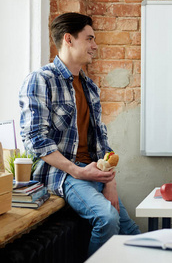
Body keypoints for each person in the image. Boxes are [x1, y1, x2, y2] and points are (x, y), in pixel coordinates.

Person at [19, 13, 140, 255]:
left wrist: (110, 182)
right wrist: (77, 170)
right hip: (64, 174)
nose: (95, 46)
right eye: (89, 39)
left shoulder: (90, 87)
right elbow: (35, 138)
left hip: (94, 171)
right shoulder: (40, 80)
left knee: (133, 235)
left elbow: (102, 142)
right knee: (107, 218)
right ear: (69, 39)